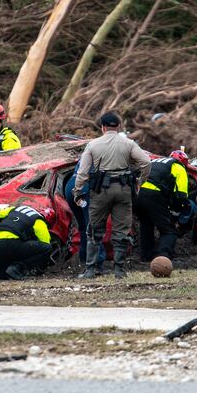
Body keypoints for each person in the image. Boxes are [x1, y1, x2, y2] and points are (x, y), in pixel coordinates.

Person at [73, 112, 150, 279]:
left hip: (100, 191)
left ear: (102, 127)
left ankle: (91, 270)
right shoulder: (129, 143)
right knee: (121, 231)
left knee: (94, 229)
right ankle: (119, 271)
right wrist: (139, 181)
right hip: (123, 190)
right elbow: (146, 162)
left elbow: (83, 172)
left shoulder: (93, 145)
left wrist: (77, 190)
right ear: (119, 127)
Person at [135, 150, 190, 262]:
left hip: (138, 194)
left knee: (146, 226)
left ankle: (146, 257)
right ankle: (163, 257)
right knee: (169, 230)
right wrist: (177, 211)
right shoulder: (179, 167)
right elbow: (182, 194)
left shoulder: (155, 161)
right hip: (154, 195)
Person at [0, 205, 52, 280]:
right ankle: (18, 268)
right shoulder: (39, 220)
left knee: (3, 272)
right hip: (12, 243)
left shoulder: (14, 209)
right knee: (46, 249)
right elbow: (45, 245)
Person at [64, 159, 106, 272]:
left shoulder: (91, 149)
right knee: (93, 226)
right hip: (84, 186)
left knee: (83, 226)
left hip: (71, 186)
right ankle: (96, 264)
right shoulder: (107, 150)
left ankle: (85, 260)